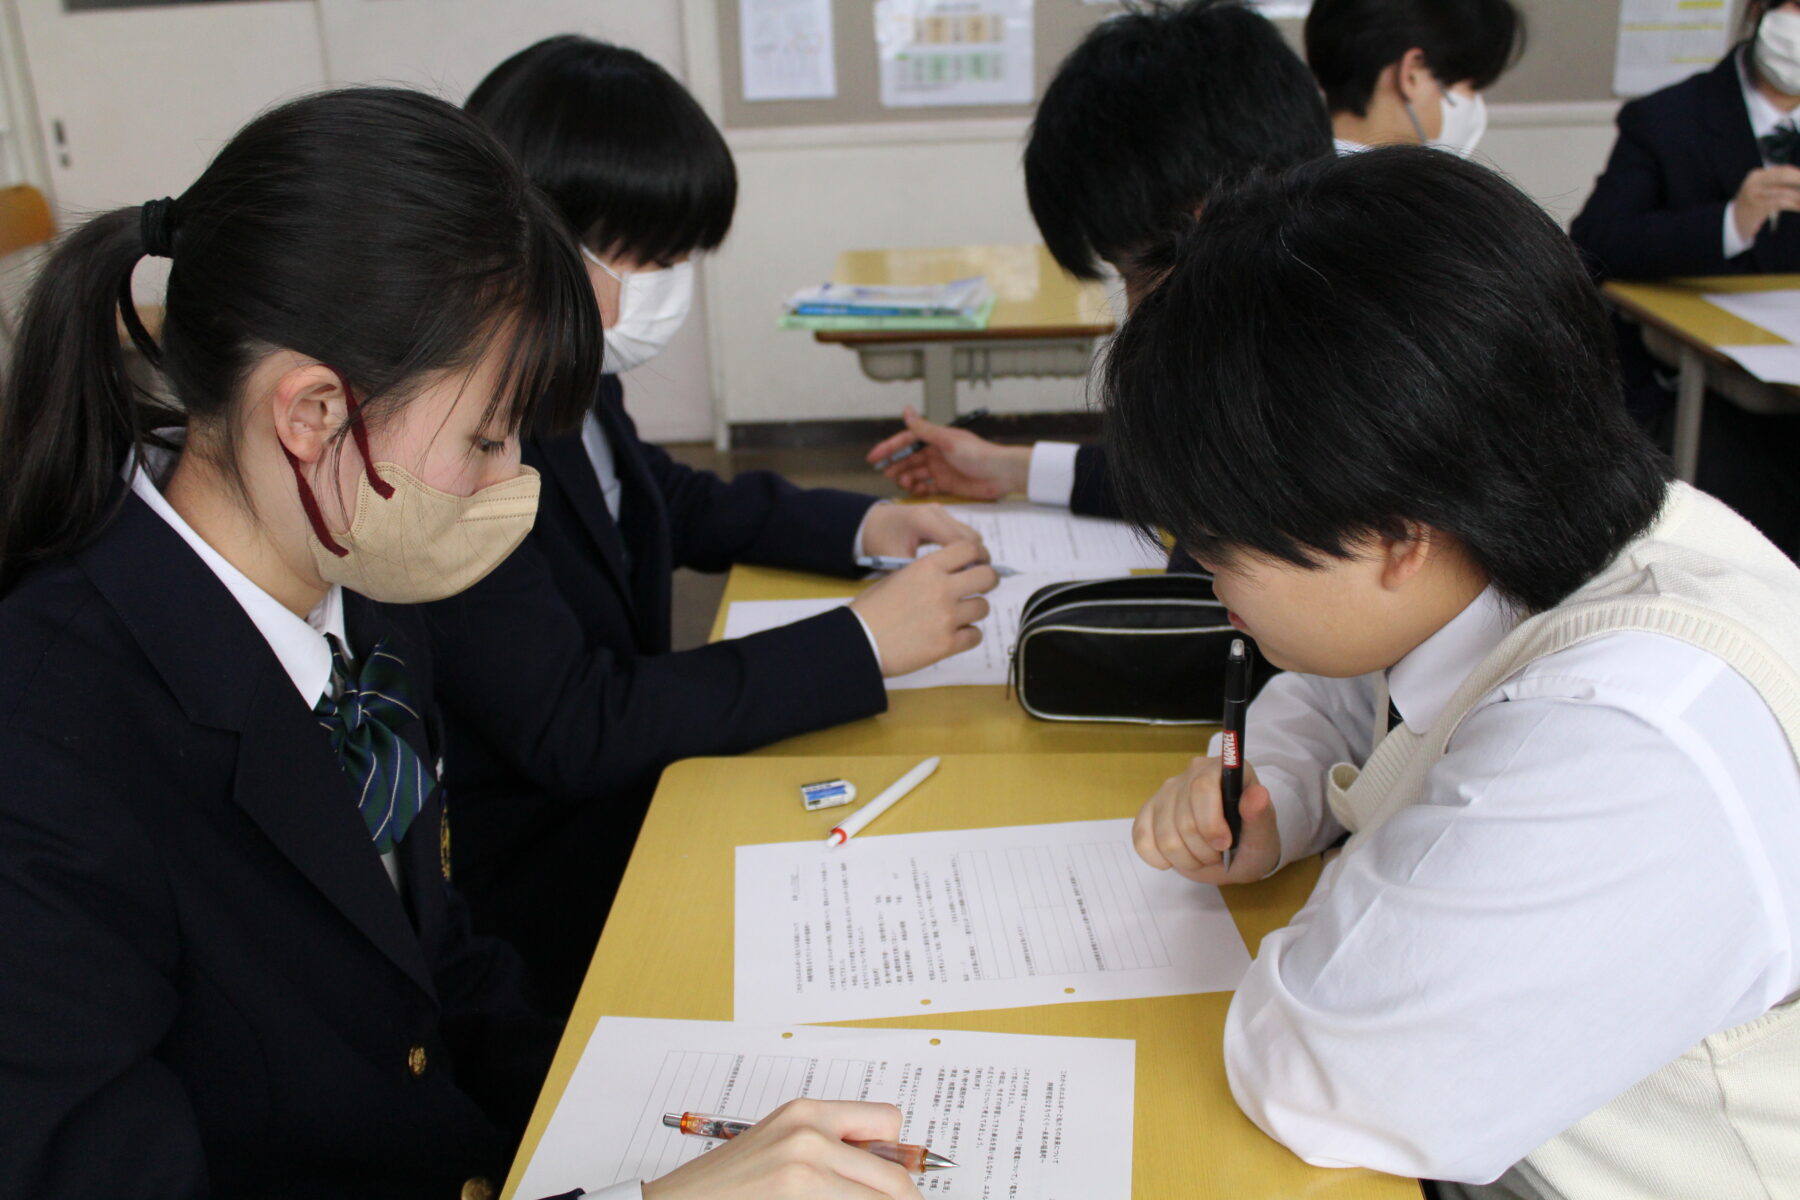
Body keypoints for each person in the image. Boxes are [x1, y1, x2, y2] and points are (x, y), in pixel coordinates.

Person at [0, 85, 923, 1200]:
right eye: (488, 440)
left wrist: (656, 1126)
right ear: (312, 415)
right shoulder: (48, 745)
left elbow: (439, 970)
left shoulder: (354, 575)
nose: (514, 488)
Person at [1111, 147, 1800, 1198]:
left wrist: (1347, 885)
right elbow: (1357, 684)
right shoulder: (1561, 526)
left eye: (1216, 541)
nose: (1205, 575)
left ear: (1394, 533)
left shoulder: (1629, 746)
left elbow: (1324, 1073)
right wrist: (1280, 793)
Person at [426, 36, 999, 1015]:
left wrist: (866, 529)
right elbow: (574, 725)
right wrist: (863, 641)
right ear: (537, 232)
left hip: (633, 804)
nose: (665, 286)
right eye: (651, 256)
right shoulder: (455, 438)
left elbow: (660, 498)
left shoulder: (564, 372)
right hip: (550, 893)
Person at [866, 0, 1331, 516]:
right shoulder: (1299, 313)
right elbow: (1201, 481)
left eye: (1142, 276)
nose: (1134, 314)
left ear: (1218, 218)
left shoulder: (1359, 385)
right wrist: (1009, 467)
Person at [1571, 0, 1800, 559]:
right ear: (1759, 14)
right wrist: (1729, 223)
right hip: (1693, 385)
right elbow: (1596, 240)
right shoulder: (1669, 117)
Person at [1306, 0, 1524, 156]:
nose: (1476, 104)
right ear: (1413, 74)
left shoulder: (1285, 183)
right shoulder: (1419, 208)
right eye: (1471, 85)